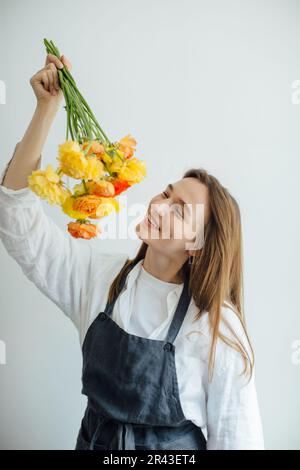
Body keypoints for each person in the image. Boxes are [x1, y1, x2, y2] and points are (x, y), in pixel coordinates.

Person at [0, 53, 265, 450]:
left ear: (198, 246)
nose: (157, 205)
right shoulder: (100, 279)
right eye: (165, 193)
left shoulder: (217, 329)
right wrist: (46, 110)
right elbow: (16, 217)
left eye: (178, 210)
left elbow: (238, 441)